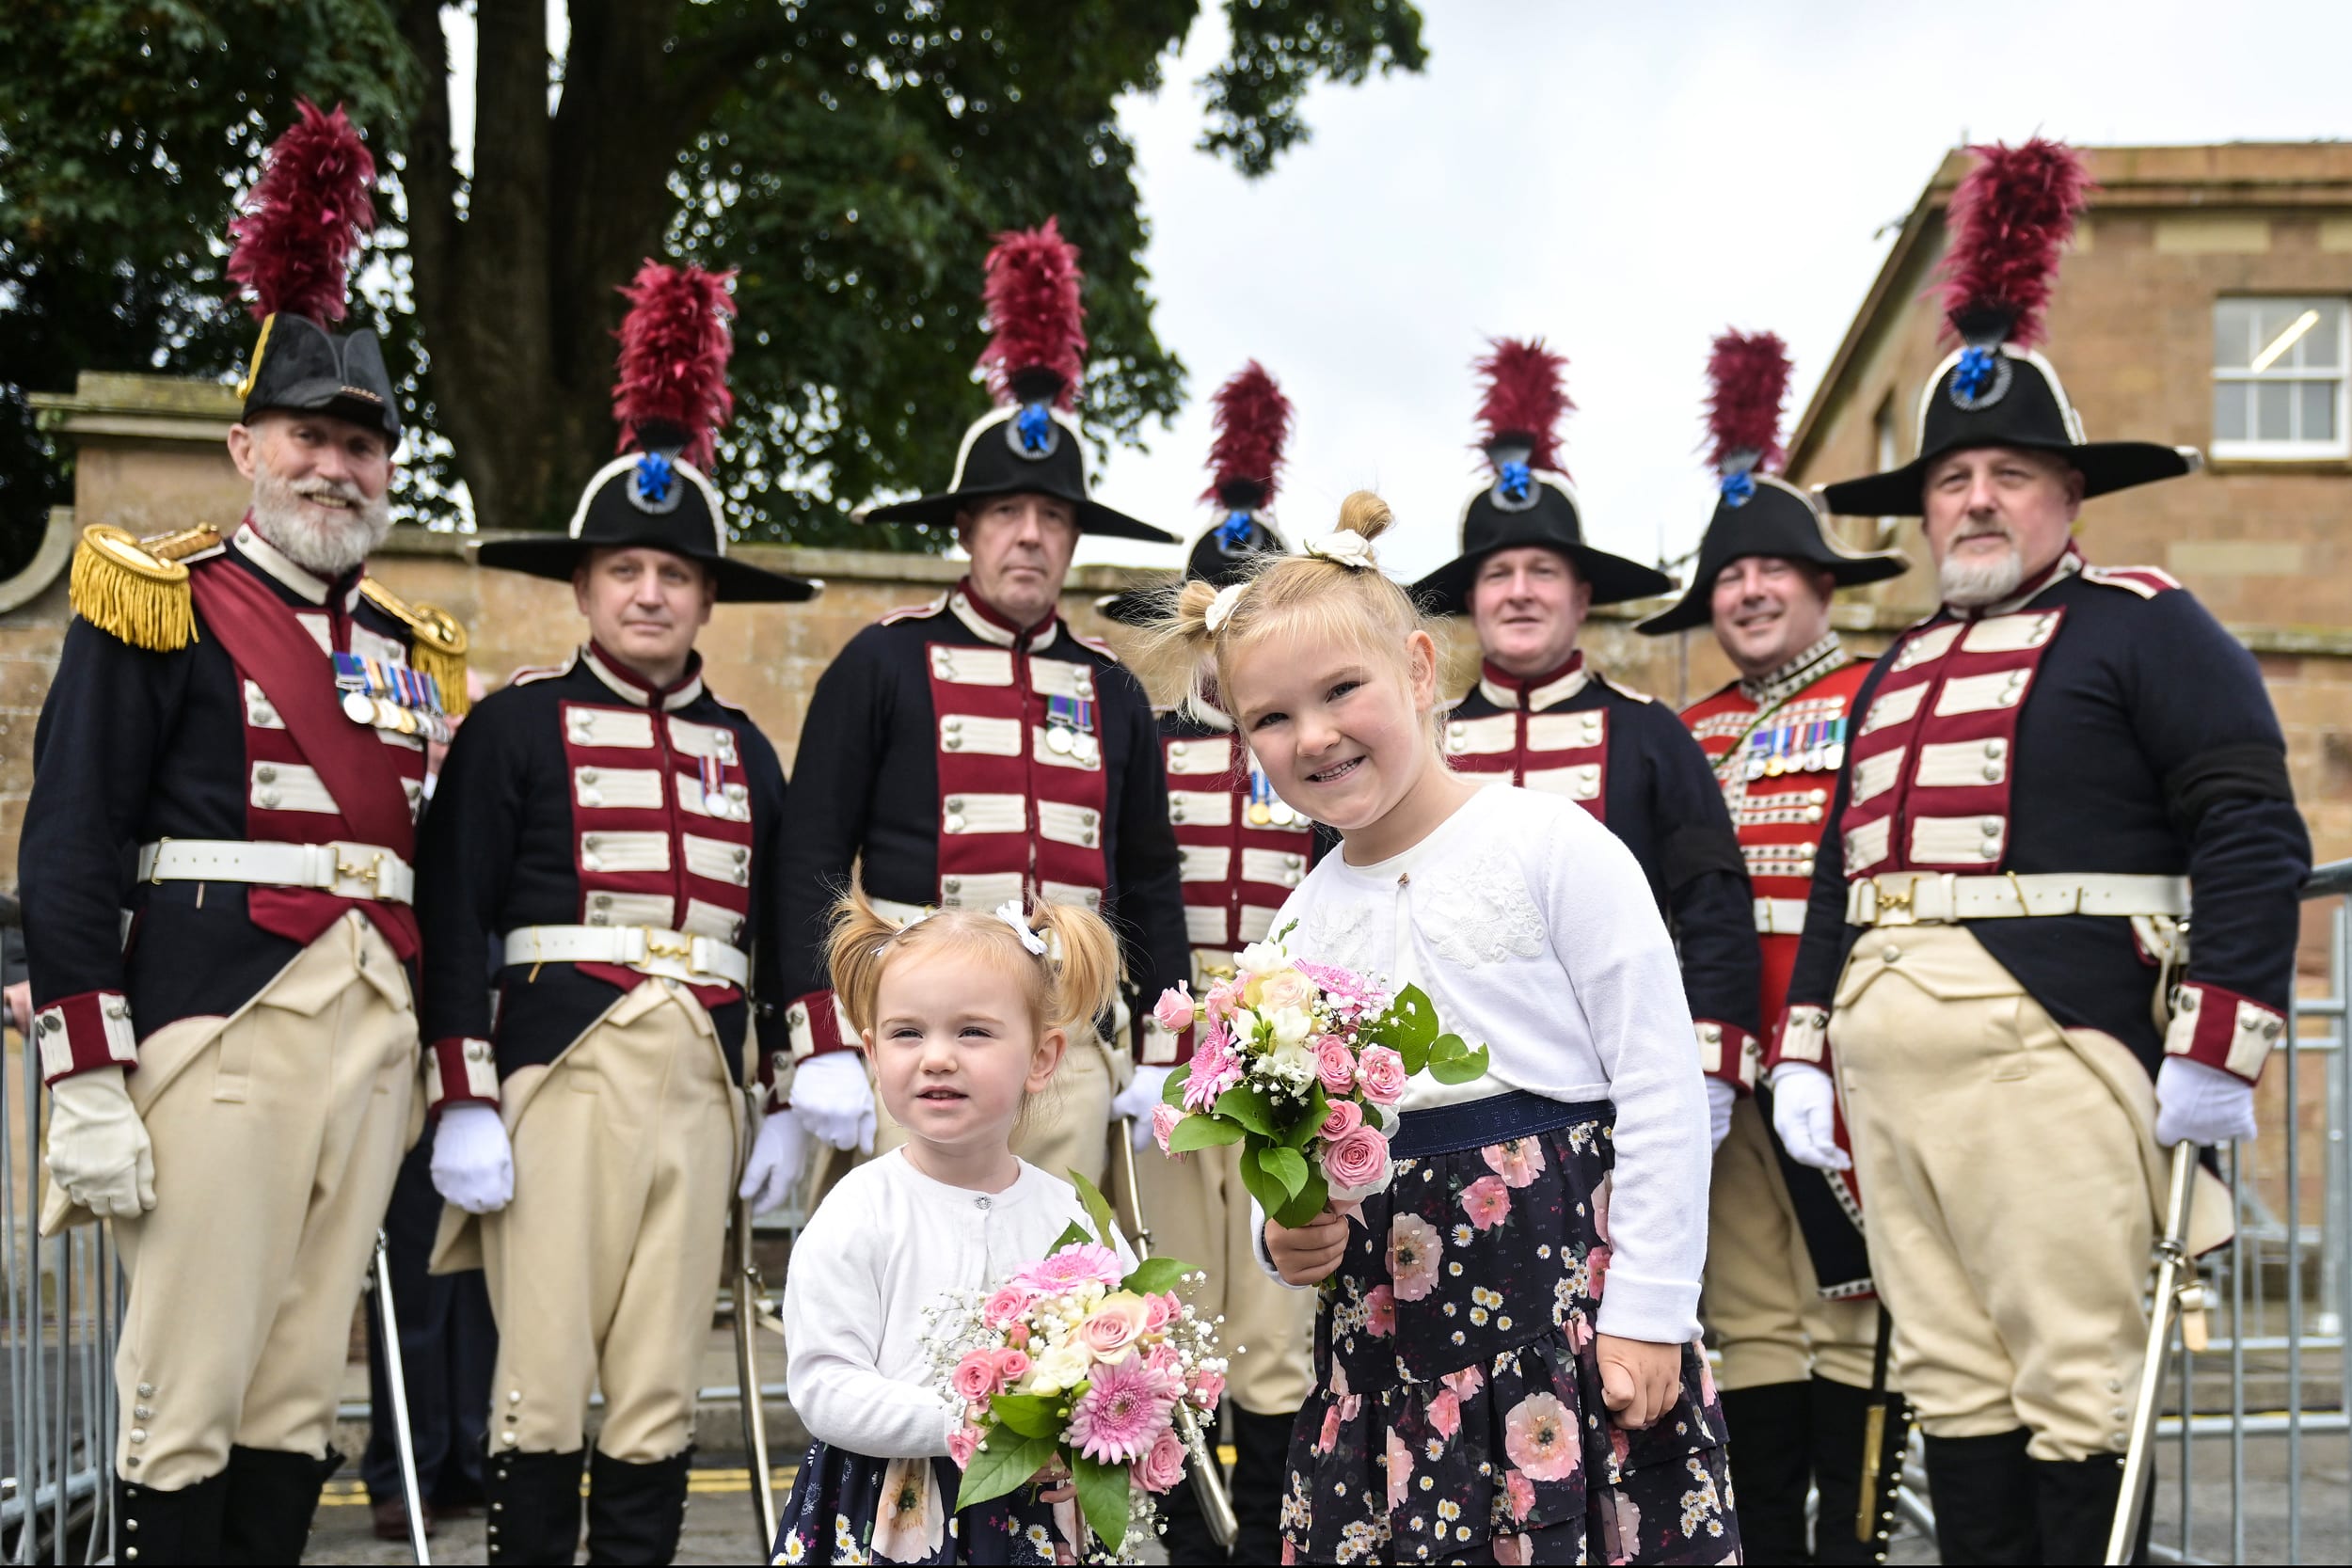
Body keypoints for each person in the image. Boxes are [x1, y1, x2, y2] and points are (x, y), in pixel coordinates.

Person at [1770, 138, 2311, 1565]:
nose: (1978, 501)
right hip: (1888, 1067)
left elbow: (2252, 823)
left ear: (2069, 493)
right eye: (1955, 478)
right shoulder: (1890, 672)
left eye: (2013, 472)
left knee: (2078, 1388)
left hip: (2049, 1048)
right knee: (1953, 1387)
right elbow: (1842, 873)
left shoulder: (2147, 621)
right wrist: (1807, 1048)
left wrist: (2219, 1041)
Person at [16, 102, 470, 1561]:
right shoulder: (157, 590)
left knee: (295, 1394)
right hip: (222, 1015)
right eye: (308, 436)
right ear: (245, 444)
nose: (336, 465)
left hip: (373, 1029)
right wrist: (86, 1066)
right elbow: (75, 831)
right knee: (188, 1384)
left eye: (361, 442)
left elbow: (436, 866)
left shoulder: (415, 642)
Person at [1147, 492, 1740, 1565]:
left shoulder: (1555, 844)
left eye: (1341, 690)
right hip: (1386, 1336)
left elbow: (1657, 1082)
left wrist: (1652, 1308)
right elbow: (1284, 1150)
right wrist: (1281, 1239)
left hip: (1561, 1314)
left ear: (1419, 672)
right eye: (1270, 718)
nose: (1312, 735)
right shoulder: (1291, 928)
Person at [414, 261, 816, 1564]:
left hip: (699, 1078)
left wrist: (788, 1091)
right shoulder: (515, 725)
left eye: (675, 572)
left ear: (708, 598)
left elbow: (778, 929)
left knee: (655, 1388)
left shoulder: (752, 749)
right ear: (584, 588)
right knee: (542, 1381)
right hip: (560, 1067)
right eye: (625, 568)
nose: (650, 592)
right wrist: (460, 1091)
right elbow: (451, 910)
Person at [776, 218, 1188, 1195]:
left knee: (1058, 1305)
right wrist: (820, 1035)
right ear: (966, 525)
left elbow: (1147, 875)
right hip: (928, 1039)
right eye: (1007, 511)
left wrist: (1168, 1035)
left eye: (1053, 517)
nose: (1030, 537)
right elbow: (812, 858)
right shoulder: (884, 658)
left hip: (1068, 1034)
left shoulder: (1110, 683)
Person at [1635, 330, 1914, 1563]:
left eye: (1773, 570)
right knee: (1746, 1316)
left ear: (1820, 582)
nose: (1749, 590)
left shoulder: (1879, 692)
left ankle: (1853, 1544)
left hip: (1849, 1066)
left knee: (1860, 1313)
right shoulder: (1680, 727)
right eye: (1730, 573)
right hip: (1721, 1076)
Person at [1410, 340, 1761, 1144]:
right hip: (1447, 1098)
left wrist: (1711, 1064)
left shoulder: (1650, 734)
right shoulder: (1424, 742)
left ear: (1582, 594)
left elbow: (1712, 909)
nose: (1521, 591)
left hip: (1622, 1085)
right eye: (1499, 573)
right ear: (1473, 597)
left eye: (1544, 570)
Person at [1094, 362, 1321, 1565]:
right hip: (1172, 1064)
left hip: (1294, 1061)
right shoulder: (1143, 736)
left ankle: (1278, 1540)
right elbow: (1126, 882)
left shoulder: (1314, 741)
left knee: (1280, 1330)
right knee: (1179, 1316)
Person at [772, 889, 1131, 1565]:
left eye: (973, 1031)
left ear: (1042, 1057)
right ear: (874, 1054)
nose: (937, 1056)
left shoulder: (1069, 1214)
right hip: (888, 1513)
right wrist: (974, 1423)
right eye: (909, 1032)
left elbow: (1114, 1353)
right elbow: (822, 1382)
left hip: (1032, 1513)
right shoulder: (860, 1208)